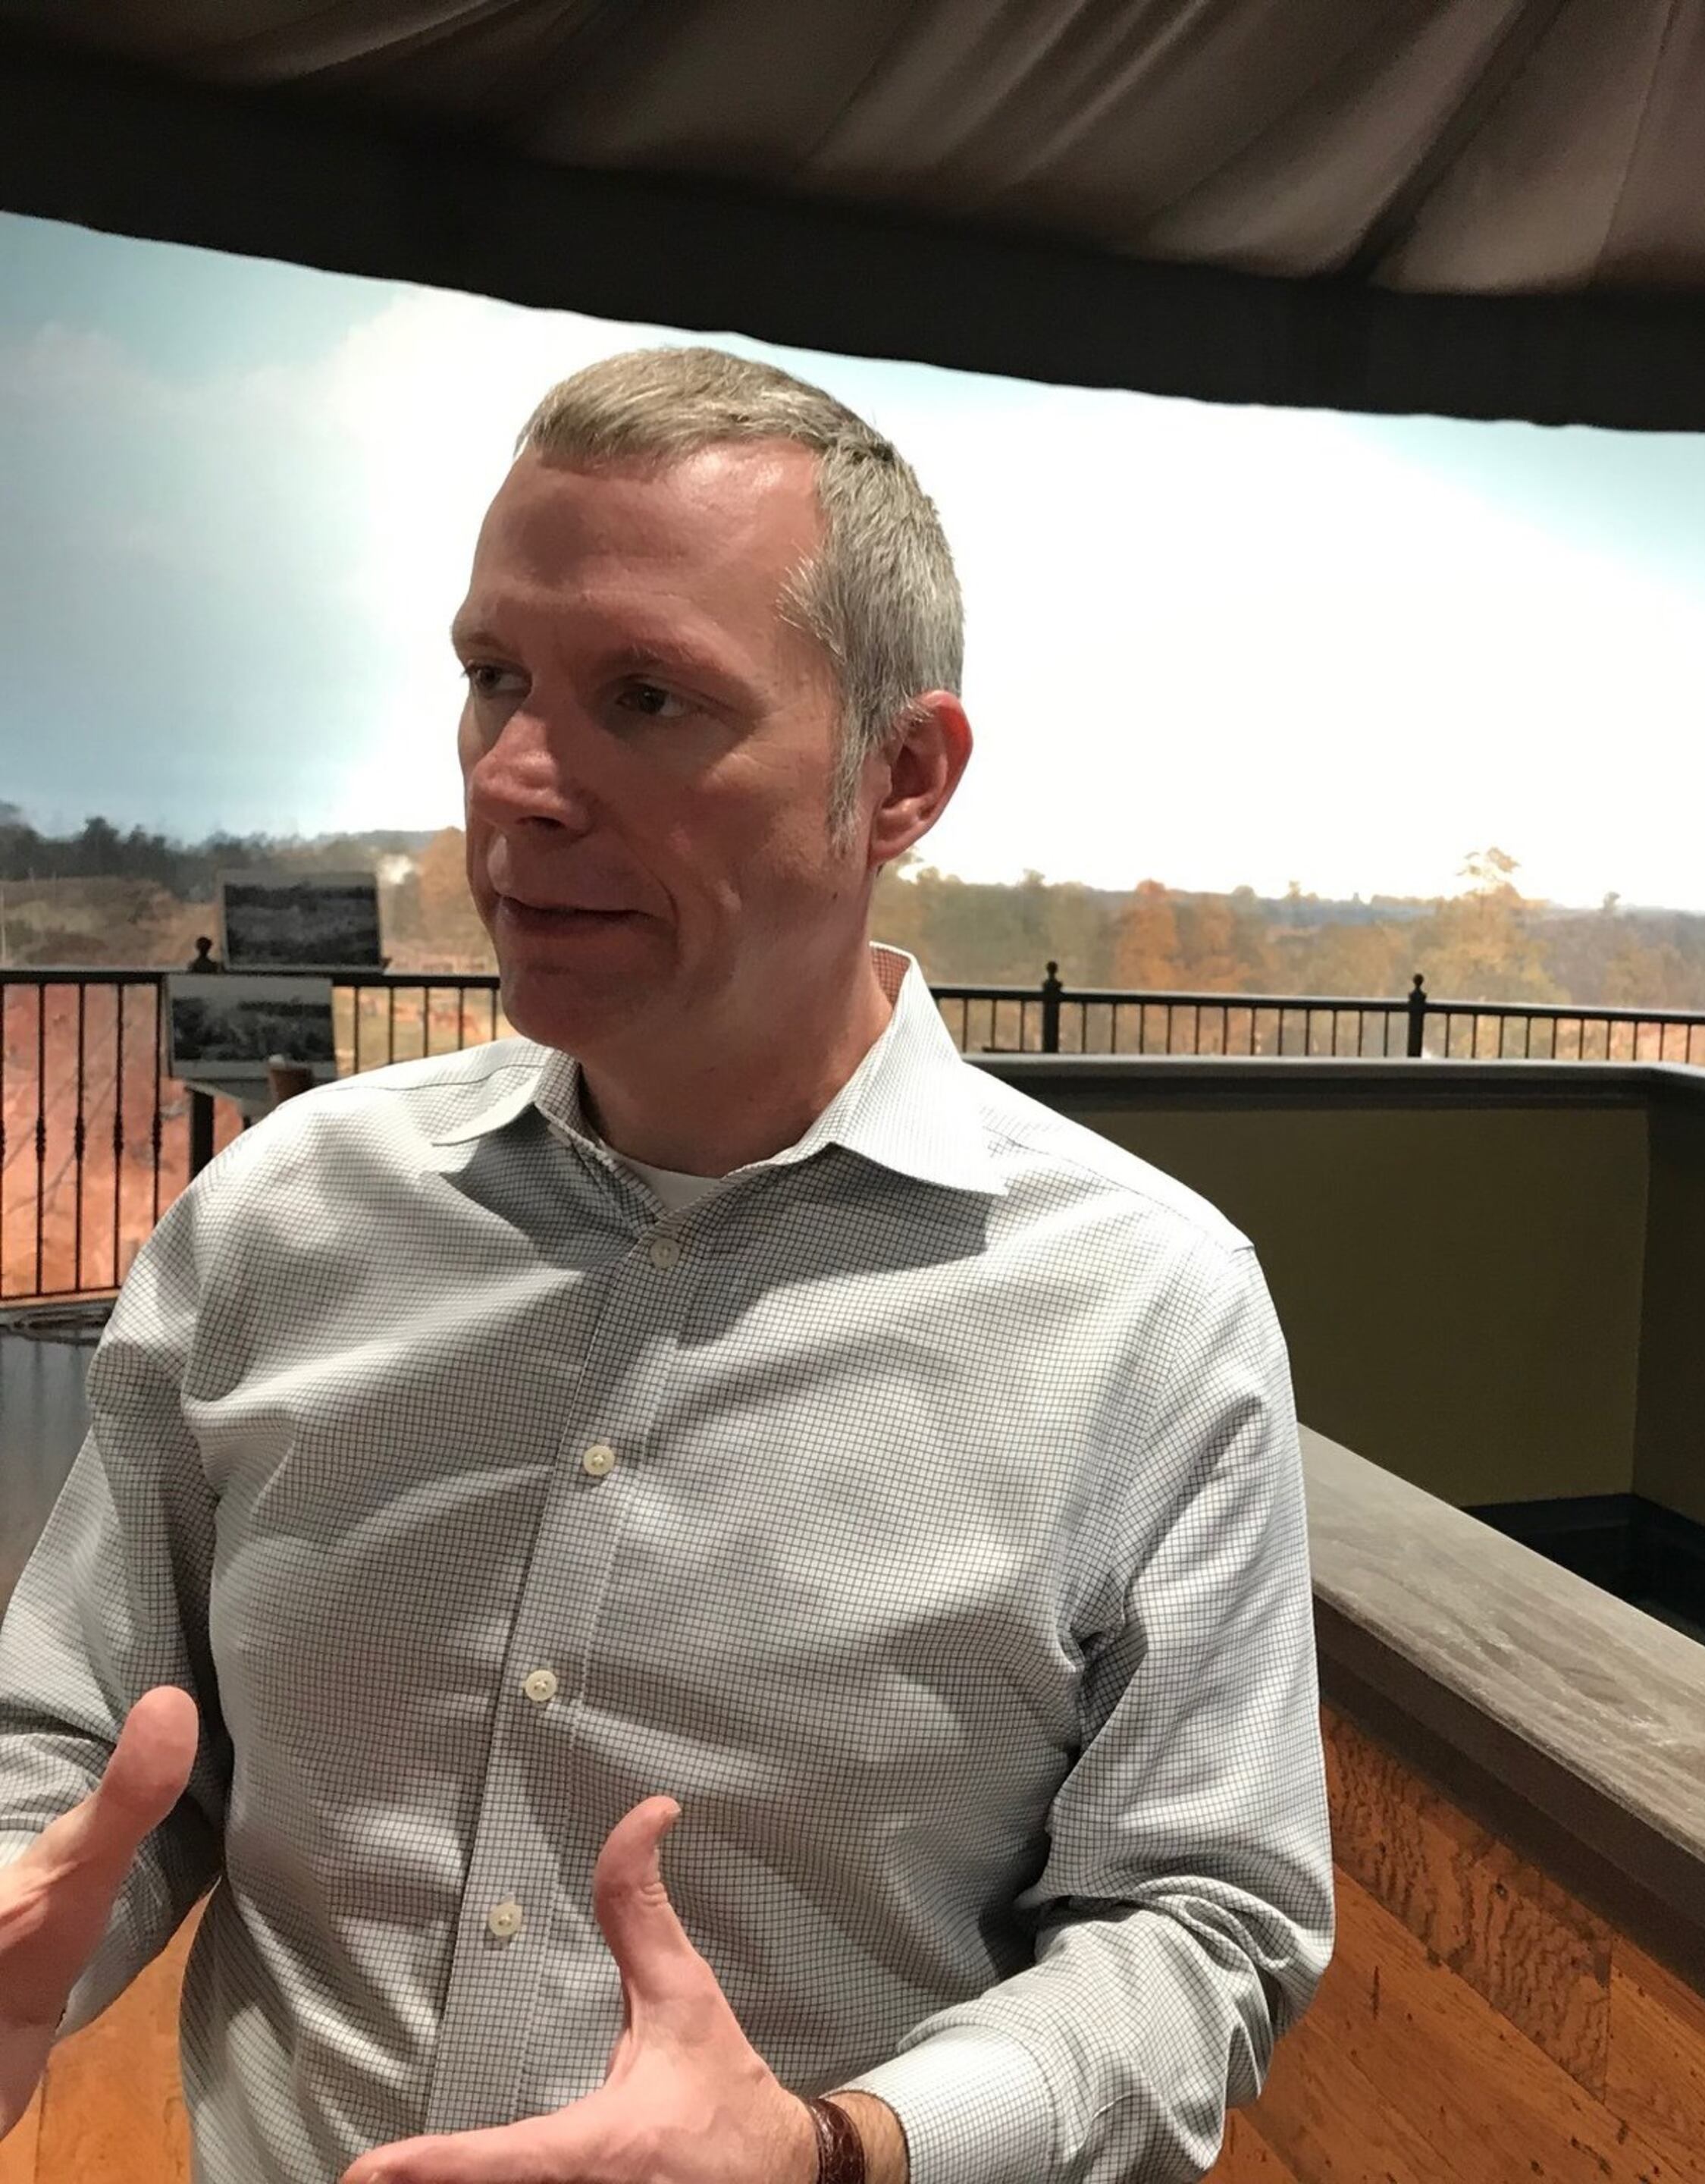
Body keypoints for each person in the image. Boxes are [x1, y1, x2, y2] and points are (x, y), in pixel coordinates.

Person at [0, 348, 1333, 2183]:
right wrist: (22, 1928)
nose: (520, 784)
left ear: (903, 777)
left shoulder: (1144, 1314)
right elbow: (92, 1737)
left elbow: (1200, 1924)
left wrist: (838, 2149)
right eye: (494, 683)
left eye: (645, 699)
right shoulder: (284, 1219)